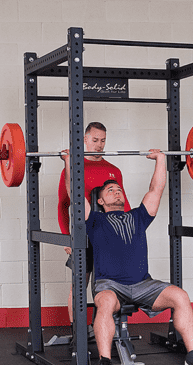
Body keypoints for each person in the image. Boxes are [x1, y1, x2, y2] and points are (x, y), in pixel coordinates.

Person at [61, 148, 193, 365]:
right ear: (100, 201)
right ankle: (104, 362)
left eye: (118, 188)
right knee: (106, 304)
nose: (116, 191)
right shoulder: (95, 221)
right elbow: (75, 193)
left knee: (180, 296)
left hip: (143, 284)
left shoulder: (138, 216)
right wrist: (69, 162)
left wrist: (161, 159)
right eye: (110, 190)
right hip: (110, 285)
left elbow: (156, 189)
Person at [58, 122, 131, 325]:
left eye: (103, 140)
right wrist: (66, 237)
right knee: (80, 284)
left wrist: (130, 232)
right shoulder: (73, 168)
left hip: (110, 237)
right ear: (84, 140)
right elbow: (63, 205)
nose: (99, 145)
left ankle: (108, 330)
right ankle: (77, 333)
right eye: (95, 140)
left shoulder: (113, 169)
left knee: (111, 286)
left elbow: (123, 203)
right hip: (84, 236)